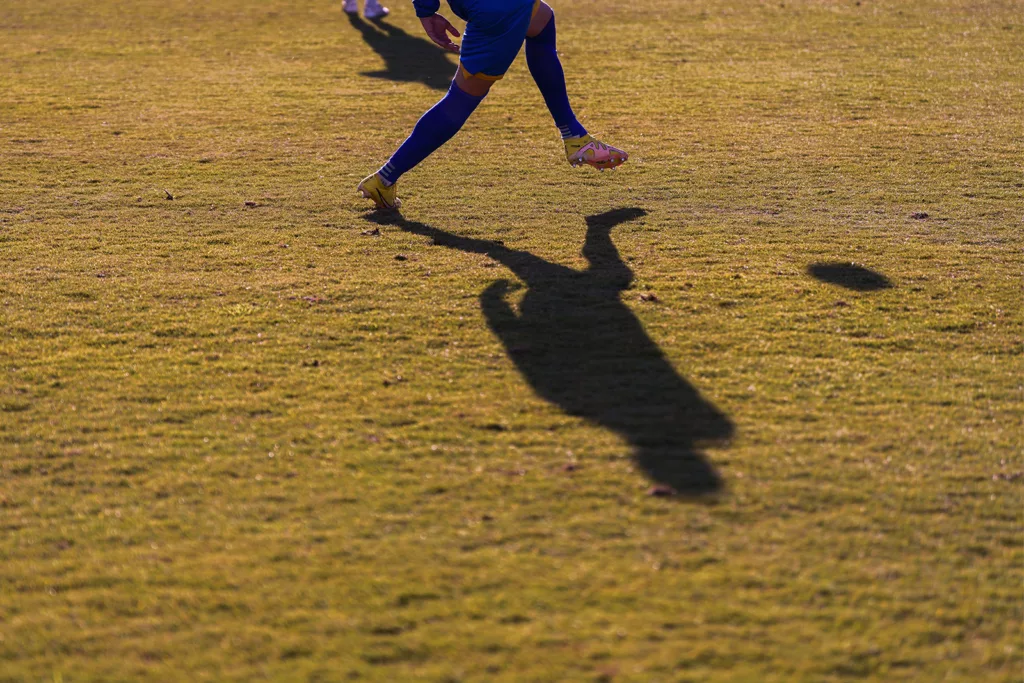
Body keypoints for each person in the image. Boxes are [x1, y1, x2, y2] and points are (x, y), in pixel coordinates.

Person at [358, 0, 627, 210]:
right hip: (497, 8)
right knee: (460, 100)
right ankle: (384, 179)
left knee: (542, 21)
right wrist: (426, 10)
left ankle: (575, 136)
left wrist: (426, 10)